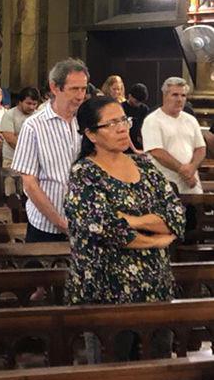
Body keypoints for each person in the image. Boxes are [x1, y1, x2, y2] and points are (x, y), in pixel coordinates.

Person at [64, 94, 183, 363]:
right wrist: (155, 239)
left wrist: (131, 219)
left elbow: (176, 216)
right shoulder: (84, 173)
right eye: (112, 124)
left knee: (158, 371)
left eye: (123, 120)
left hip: (155, 287)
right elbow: (102, 227)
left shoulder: (145, 166)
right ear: (91, 134)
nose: (122, 128)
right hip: (107, 290)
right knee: (110, 375)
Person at [11, 58, 88, 241]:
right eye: (74, 89)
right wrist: (60, 222)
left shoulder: (87, 122)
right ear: (55, 88)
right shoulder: (34, 126)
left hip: (84, 223)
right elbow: (30, 184)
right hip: (45, 226)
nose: (80, 96)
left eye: (83, 89)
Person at [141, 77, 206, 197]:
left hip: (192, 185)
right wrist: (183, 170)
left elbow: (201, 148)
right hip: (165, 186)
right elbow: (157, 152)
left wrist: (192, 168)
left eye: (183, 95)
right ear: (165, 96)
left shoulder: (191, 120)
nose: (179, 99)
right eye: (175, 95)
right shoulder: (152, 120)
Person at [0, 86, 41, 192]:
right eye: (28, 103)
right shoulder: (9, 115)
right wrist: (29, 147)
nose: (31, 107)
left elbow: (42, 138)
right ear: (20, 102)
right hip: (12, 159)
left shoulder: (39, 116)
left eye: (34, 104)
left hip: (33, 161)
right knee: (11, 187)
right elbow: (10, 138)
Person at [124, 82, 150, 151]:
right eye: (136, 101)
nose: (138, 104)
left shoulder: (144, 109)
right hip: (125, 146)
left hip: (139, 146)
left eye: (140, 102)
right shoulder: (121, 108)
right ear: (130, 96)